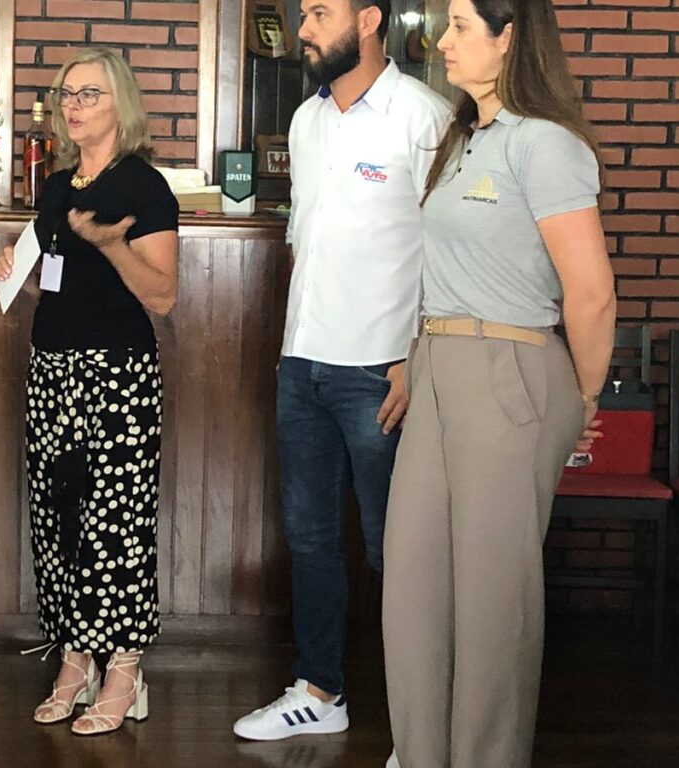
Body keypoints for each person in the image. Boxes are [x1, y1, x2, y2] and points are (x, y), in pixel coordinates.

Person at [380, 0, 617, 765]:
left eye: (459, 24)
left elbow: (591, 293)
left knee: (491, 605)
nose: (441, 40)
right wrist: (414, 359)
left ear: (509, 36)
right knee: (412, 589)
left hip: (510, 369)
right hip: (438, 367)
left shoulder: (545, 144)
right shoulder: (463, 138)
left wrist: (583, 399)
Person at [232, 0, 451, 742]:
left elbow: (451, 247)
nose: (302, 30)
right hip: (302, 366)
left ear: (368, 20)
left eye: (319, 13)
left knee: (399, 549)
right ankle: (320, 692)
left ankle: (427, 720)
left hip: (382, 374)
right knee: (311, 540)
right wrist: (294, 350)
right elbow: (308, 238)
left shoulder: (424, 119)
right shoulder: (307, 120)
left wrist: (417, 356)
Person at [0, 48, 178, 737]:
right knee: (58, 517)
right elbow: (60, 286)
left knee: (116, 522)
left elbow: (163, 295)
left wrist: (110, 244)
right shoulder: (56, 186)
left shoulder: (144, 188)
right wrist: (15, 275)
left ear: (120, 103)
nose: (72, 105)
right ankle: (75, 660)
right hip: (52, 369)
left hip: (117, 375)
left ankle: (125, 668)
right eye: (66, 93)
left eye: (88, 94)